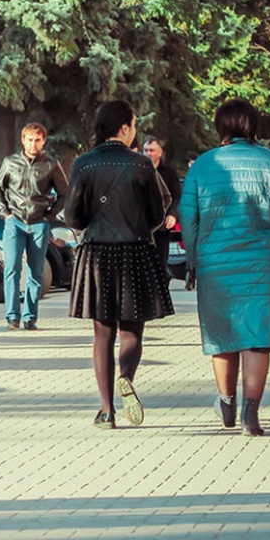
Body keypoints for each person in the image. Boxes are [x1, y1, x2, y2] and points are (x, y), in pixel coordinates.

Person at [178, 98, 270, 436]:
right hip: (266, 264)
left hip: (216, 264)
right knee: (258, 339)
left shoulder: (203, 166)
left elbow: (189, 220)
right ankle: (251, 414)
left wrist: (193, 259)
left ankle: (226, 401)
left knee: (223, 338)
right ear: (254, 126)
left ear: (221, 127)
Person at [65, 100, 174, 430]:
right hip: (135, 252)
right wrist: (139, 226)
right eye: (134, 124)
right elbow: (157, 213)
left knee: (102, 335)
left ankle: (107, 411)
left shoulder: (83, 164)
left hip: (96, 254)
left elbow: (73, 216)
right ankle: (126, 376)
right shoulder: (142, 164)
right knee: (131, 331)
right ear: (124, 128)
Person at [0, 123, 68, 330]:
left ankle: (30, 318)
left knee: (36, 273)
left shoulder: (51, 165)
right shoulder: (10, 163)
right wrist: (6, 214)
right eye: (29, 139)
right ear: (23, 140)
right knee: (12, 269)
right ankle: (12, 317)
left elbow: (64, 194)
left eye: (37, 140)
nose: (33, 143)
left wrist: (49, 217)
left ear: (43, 141)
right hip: (14, 222)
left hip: (38, 223)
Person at [143, 138, 182, 282]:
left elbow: (177, 197)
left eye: (152, 150)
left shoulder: (169, 173)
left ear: (159, 153)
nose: (148, 154)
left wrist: (172, 215)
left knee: (160, 262)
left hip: (161, 227)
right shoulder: (137, 171)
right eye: (146, 150)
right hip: (142, 226)